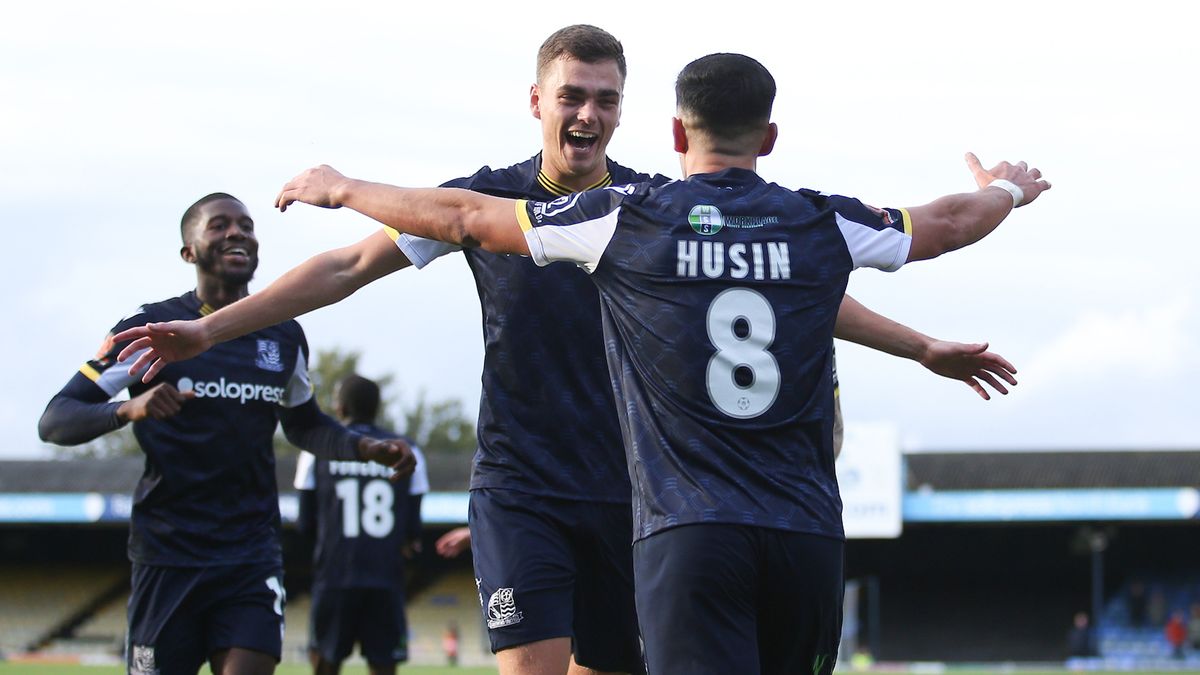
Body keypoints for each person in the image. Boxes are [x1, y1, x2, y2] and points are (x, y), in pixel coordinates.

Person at [114, 38, 1024, 674]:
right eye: (573, 95)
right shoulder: (488, 198)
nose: (588, 113)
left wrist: (916, 347)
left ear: (634, 114)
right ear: (538, 102)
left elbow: (801, 292)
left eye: (606, 99)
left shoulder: (655, 209)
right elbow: (349, 264)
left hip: (637, 494)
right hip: (523, 487)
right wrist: (208, 331)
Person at [37, 193, 414, 675]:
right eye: (219, 226)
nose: (238, 233)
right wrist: (131, 407)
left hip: (250, 554)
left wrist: (363, 446)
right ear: (189, 252)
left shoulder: (281, 334)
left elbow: (303, 423)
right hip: (167, 555)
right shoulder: (148, 330)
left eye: (246, 226)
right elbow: (56, 419)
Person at [293, 374, 430, 675]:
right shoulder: (407, 451)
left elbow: (305, 523)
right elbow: (413, 531)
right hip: (385, 579)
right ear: (377, 407)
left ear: (340, 408)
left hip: (334, 577)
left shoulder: (318, 449)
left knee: (325, 665)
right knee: (383, 666)